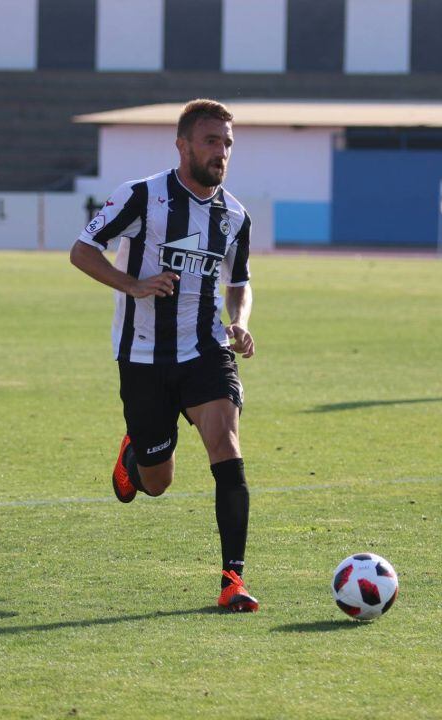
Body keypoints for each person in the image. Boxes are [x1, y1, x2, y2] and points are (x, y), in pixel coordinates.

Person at [69, 99, 259, 612]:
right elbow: (82, 251)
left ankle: (232, 581)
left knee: (227, 447)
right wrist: (134, 285)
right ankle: (137, 451)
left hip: (206, 350)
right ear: (183, 145)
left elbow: (238, 282)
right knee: (156, 483)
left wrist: (239, 321)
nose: (221, 152)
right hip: (144, 356)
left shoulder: (235, 217)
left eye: (227, 143)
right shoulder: (141, 197)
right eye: (210, 141)